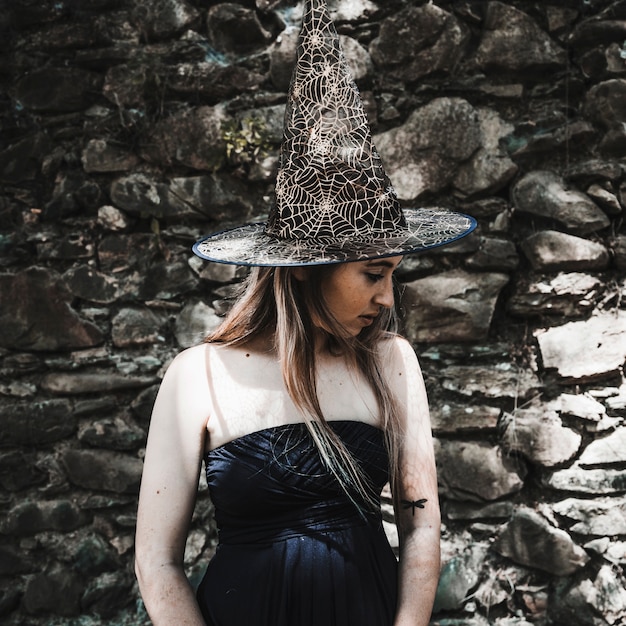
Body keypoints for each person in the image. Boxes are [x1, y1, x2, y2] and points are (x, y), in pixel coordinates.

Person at [134, 1, 476, 625]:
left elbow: (421, 528)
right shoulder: (198, 376)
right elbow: (157, 562)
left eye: (393, 275)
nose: (386, 299)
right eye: (372, 274)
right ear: (305, 272)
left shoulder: (391, 362)